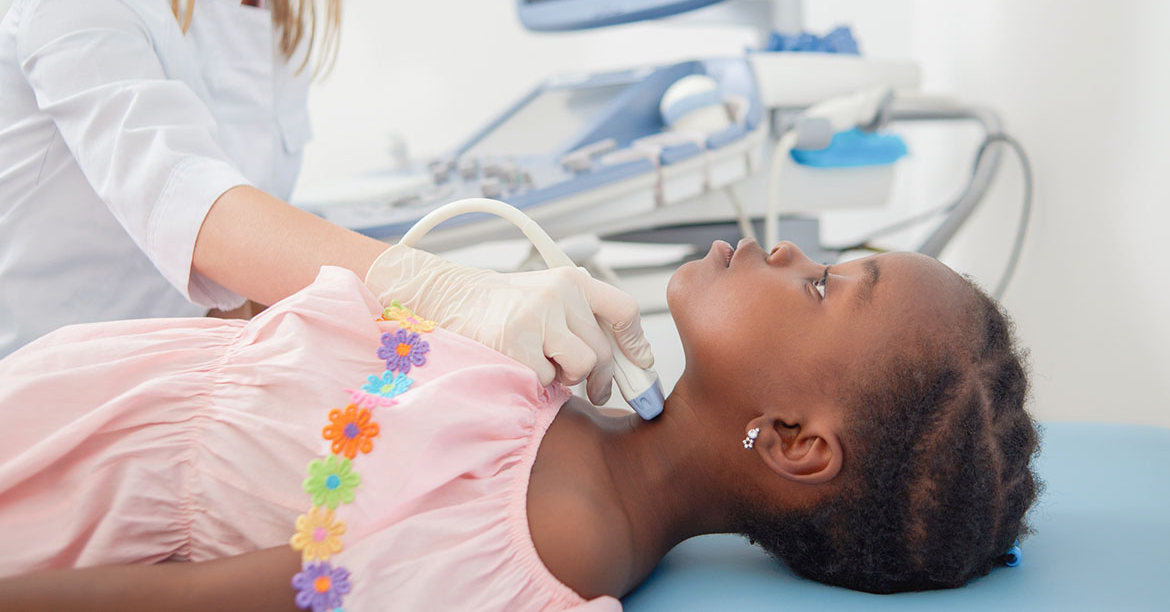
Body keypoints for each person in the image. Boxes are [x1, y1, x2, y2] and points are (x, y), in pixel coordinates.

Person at [0, 239, 1041, 610]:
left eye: (822, 287)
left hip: (57, 502)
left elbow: (201, 601)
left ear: (795, 439)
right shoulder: (563, 401)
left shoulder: (543, 539)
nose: (783, 253)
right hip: (72, 398)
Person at [0, 0, 650, 398]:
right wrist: (453, 293)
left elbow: (235, 293)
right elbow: (200, 217)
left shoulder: (273, 34)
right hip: (44, 407)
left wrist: (475, 304)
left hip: (161, 393)